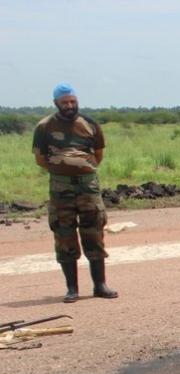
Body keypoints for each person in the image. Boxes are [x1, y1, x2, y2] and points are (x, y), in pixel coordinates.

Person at [31, 84, 117, 302]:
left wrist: (81, 169)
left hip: (88, 188)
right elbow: (40, 159)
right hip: (61, 189)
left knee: (94, 233)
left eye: (72, 101)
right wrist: (63, 170)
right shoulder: (44, 127)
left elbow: (98, 155)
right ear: (56, 103)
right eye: (65, 102)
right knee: (64, 235)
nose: (69, 106)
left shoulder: (90, 124)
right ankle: (72, 289)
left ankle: (100, 286)